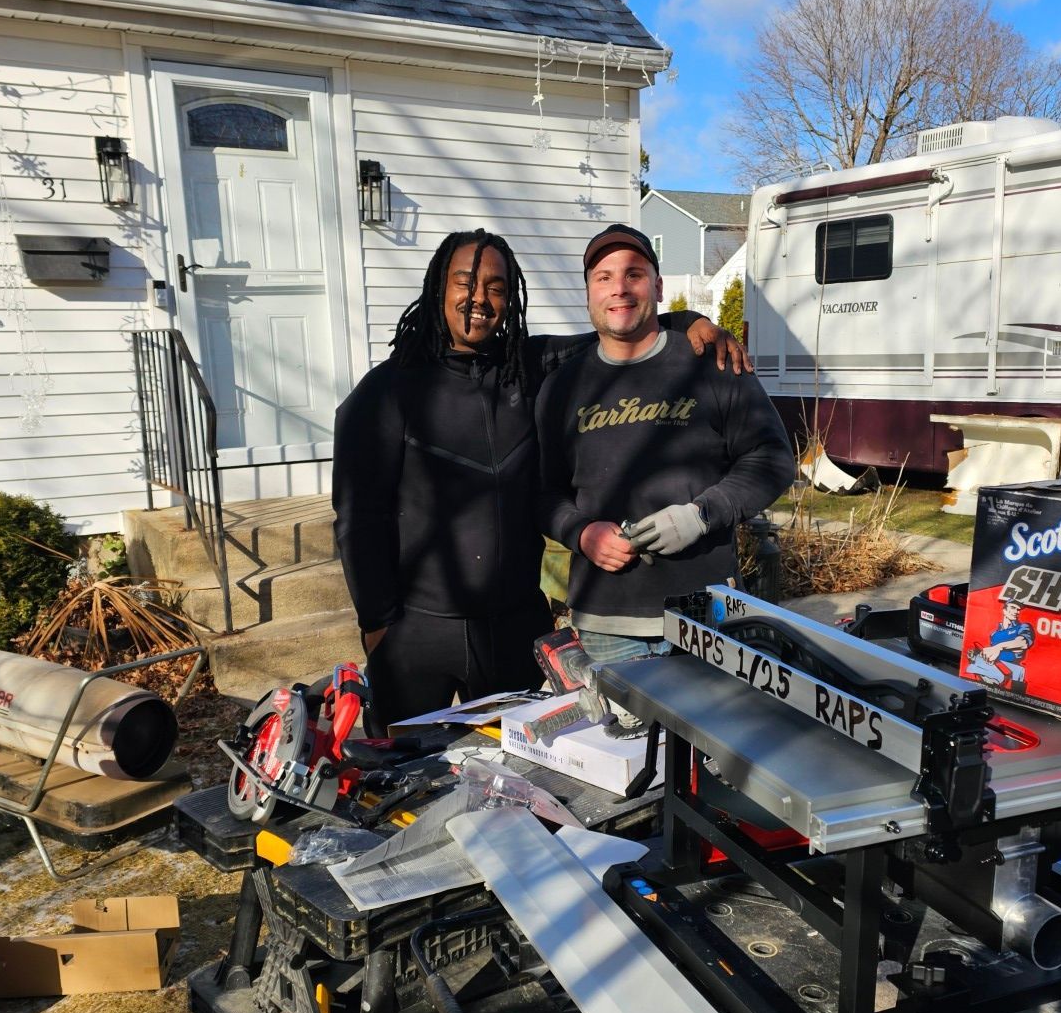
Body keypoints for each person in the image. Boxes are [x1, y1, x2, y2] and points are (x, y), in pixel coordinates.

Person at [332, 228, 746, 733]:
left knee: (524, 771)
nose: (479, 299)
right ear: (439, 286)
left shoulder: (526, 368)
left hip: (515, 627)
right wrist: (375, 623)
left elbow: (616, 330)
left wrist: (689, 321)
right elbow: (359, 517)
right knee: (408, 779)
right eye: (465, 282)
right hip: (418, 633)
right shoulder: (387, 390)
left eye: (497, 287)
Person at [535, 224, 795, 664]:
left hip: (708, 615)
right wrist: (582, 533)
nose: (619, 288)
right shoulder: (560, 388)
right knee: (614, 735)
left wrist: (701, 516)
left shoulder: (711, 364)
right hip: (606, 627)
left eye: (634, 274)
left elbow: (772, 459)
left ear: (657, 287)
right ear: (588, 293)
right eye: (603, 277)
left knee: (708, 735)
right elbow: (543, 492)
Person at [967, 598, 1034, 693]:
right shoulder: (994, 634)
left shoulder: (1023, 627)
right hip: (992, 668)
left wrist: (998, 647)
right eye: (1013, 607)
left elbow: (1022, 643)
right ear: (1004, 610)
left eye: (1018, 609)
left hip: (1012, 673)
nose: (1016, 611)